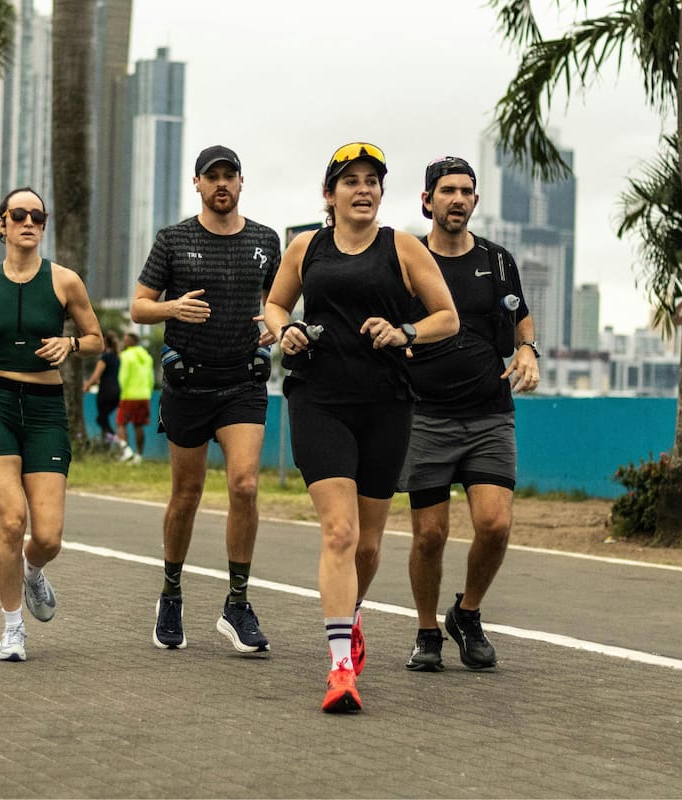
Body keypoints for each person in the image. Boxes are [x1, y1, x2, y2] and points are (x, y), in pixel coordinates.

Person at [264, 142, 458, 713]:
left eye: (372, 180)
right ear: (330, 195)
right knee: (340, 534)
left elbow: (446, 317)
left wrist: (405, 333)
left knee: (369, 545)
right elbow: (275, 306)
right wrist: (285, 331)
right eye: (351, 181)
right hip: (319, 399)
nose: (364, 189)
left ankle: (350, 616)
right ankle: (340, 668)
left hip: (386, 404)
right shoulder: (307, 247)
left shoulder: (401, 246)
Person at [131, 145, 281, 655]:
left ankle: (237, 604)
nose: (222, 184)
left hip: (242, 383)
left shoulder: (265, 241)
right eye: (212, 176)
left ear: (241, 183)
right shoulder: (173, 239)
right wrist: (173, 307)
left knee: (243, 485)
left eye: (230, 176)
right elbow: (138, 307)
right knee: (187, 495)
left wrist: (276, 328)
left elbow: (281, 299)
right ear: (196, 183)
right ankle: (171, 593)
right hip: (188, 385)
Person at [0, 186, 103, 663]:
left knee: (49, 536)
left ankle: (33, 570)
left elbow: (96, 337)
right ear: (2, 224)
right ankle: (13, 628)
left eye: (37, 215)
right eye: (19, 214)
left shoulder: (65, 282)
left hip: (45, 409)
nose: (28, 221)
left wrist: (71, 346)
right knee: (12, 521)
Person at [400, 156, 540, 674]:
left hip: (488, 415)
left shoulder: (498, 260)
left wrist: (528, 351)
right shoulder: (407, 259)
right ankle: (426, 632)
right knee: (430, 536)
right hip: (426, 417)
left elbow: (521, 315)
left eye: (466, 191)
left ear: (475, 201)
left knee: (495, 524)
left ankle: (467, 613)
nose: (457, 199)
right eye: (447, 191)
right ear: (427, 200)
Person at [114, 331, 154, 464]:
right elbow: (151, 377)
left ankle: (126, 451)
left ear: (131, 342)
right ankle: (139, 455)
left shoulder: (126, 355)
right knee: (139, 426)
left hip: (129, 395)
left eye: (125, 340)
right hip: (144, 395)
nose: (124, 342)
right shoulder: (147, 357)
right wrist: (148, 391)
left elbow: (123, 377)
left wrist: (121, 391)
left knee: (120, 423)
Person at [82, 329, 121, 448]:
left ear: (104, 341)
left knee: (101, 419)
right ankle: (108, 445)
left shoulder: (105, 357)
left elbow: (96, 375)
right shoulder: (117, 357)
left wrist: (86, 386)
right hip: (116, 391)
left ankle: (119, 444)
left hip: (106, 392)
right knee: (103, 419)